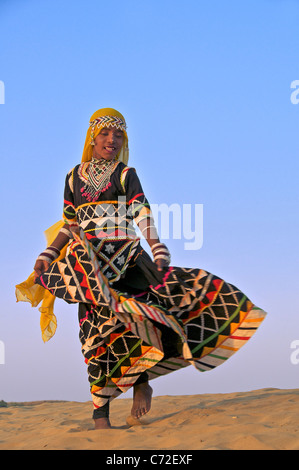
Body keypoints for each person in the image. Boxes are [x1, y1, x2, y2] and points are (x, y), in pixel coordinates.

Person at [16, 108, 267, 430]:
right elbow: (70, 222)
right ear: (92, 136)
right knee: (93, 334)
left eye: (118, 134)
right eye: (105, 133)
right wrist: (49, 252)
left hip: (128, 260)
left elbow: (141, 212)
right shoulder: (72, 176)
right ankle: (100, 416)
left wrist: (157, 247)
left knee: (145, 316)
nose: (112, 140)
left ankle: (142, 383)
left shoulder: (125, 173)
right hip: (90, 266)